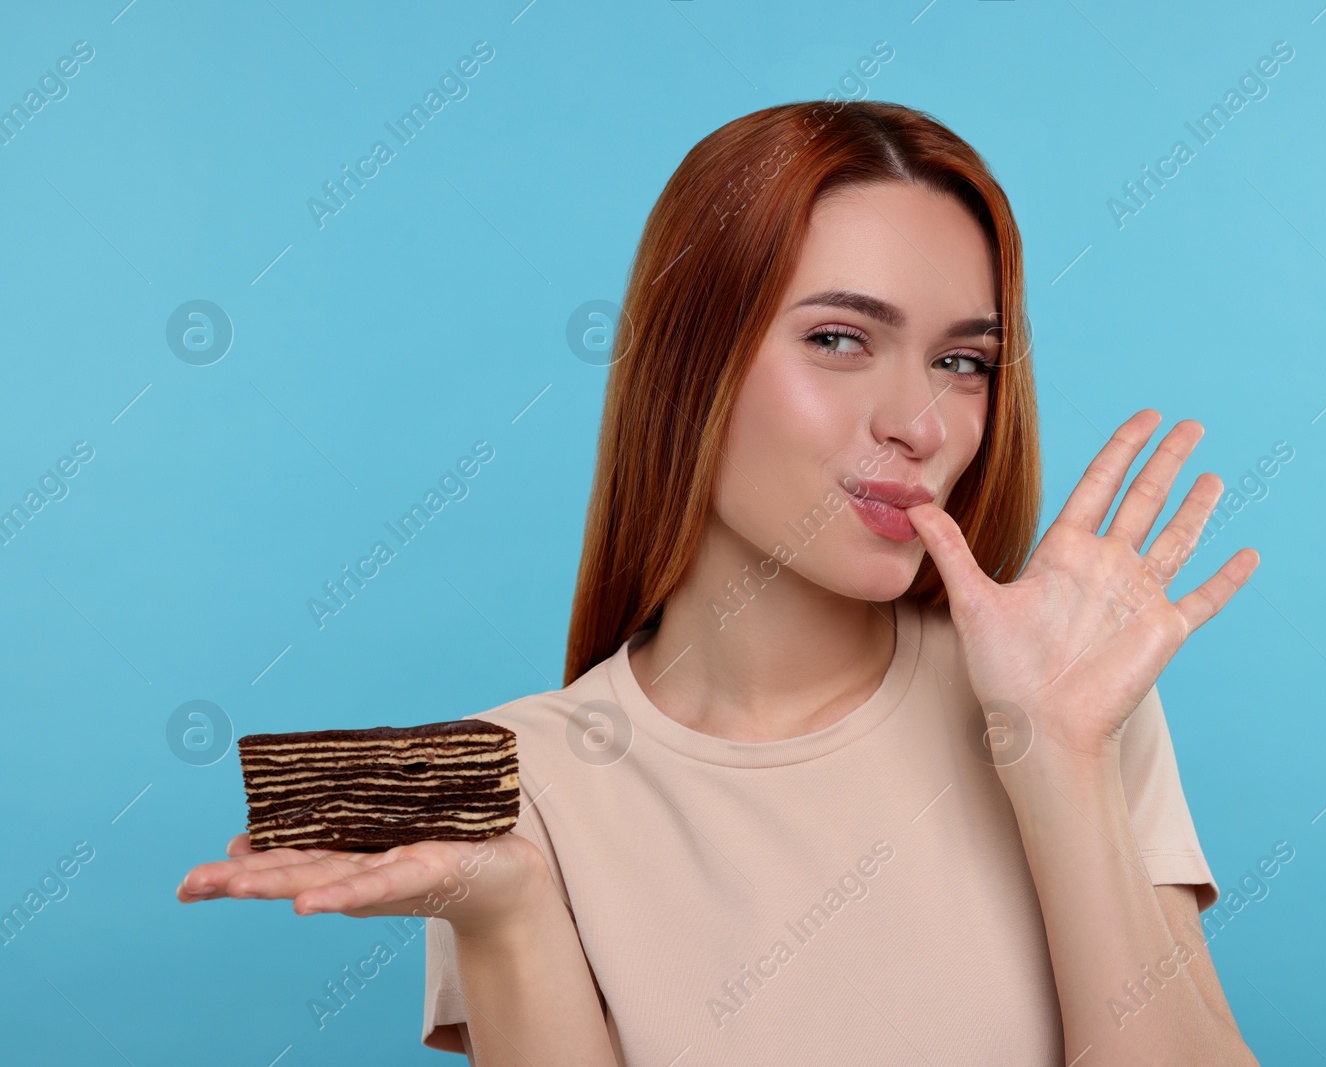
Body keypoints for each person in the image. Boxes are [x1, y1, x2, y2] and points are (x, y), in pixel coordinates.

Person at [177, 99, 1261, 1065]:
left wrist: (1058, 757)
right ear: (688, 358)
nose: (922, 423)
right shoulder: (505, 781)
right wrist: (505, 916)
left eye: (961, 360)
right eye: (839, 338)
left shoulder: (1062, 689)